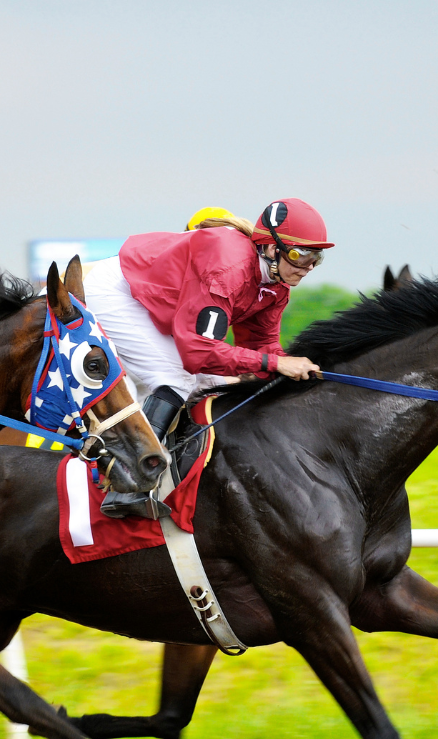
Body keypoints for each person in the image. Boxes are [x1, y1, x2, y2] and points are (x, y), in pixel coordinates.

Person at [82, 198, 330, 519]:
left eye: (316, 258)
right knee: (176, 376)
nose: (307, 267)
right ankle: (127, 483)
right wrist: (277, 365)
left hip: (156, 305)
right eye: (300, 255)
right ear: (270, 248)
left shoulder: (276, 287)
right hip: (118, 291)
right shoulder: (230, 265)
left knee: (212, 383)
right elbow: (197, 351)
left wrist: (294, 371)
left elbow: (263, 350)